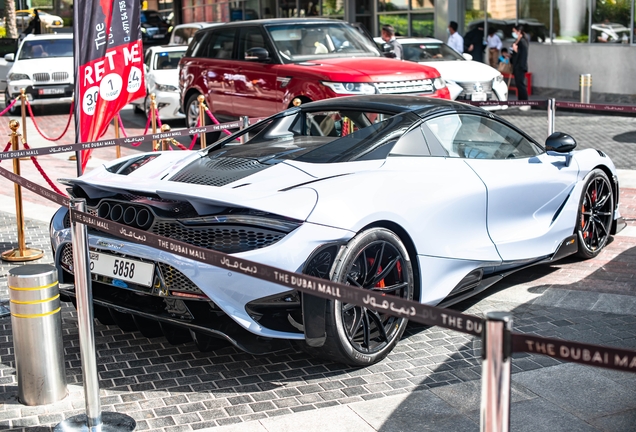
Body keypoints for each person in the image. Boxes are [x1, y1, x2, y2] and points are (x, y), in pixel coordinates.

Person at [511, 24, 530, 107]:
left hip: (520, 66)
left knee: (521, 84)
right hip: (516, 66)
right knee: (518, 84)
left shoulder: (522, 41)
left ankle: (524, 102)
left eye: (514, 31)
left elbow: (523, 55)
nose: (514, 33)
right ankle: (520, 101)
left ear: (518, 31)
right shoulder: (517, 40)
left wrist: (515, 51)